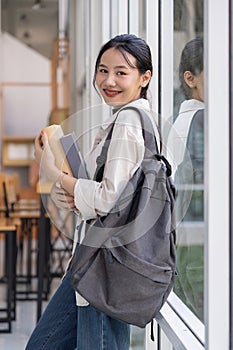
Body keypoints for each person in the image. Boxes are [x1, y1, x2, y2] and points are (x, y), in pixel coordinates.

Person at [25, 33, 157, 350]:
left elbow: (105, 199)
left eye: (121, 72)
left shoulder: (127, 121)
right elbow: (101, 199)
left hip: (105, 268)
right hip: (95, 265)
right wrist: (69, 189)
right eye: (102, 70)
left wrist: (50, 169)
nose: (108, 80)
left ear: (144, 77)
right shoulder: (128, 120)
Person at [167, 36, 204, 320]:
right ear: (190, 78)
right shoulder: (202, 122)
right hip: (201, 247)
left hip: (185, 248)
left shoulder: (180, 120)